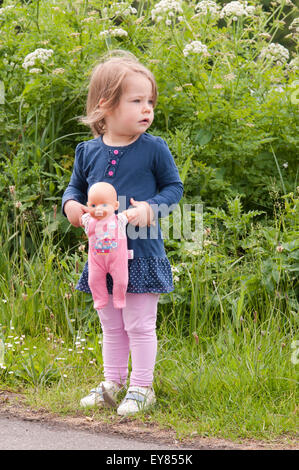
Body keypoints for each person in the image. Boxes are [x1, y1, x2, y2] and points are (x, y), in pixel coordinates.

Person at [62, 51, 183, 416]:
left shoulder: (153, 149)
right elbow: (73, 190)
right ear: (107, 105)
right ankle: (112, 383)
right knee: (111, 323)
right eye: (136, 101)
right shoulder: (88, 152)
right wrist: (73, 208)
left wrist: (149, 208)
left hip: (143, 254)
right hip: (103, 256)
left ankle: (142, 387)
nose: (147, 109)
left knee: (139, 323)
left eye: (150, 101)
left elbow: (173, 189)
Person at [82, 181, 130, 310]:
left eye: (104, 204)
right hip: (97, 260)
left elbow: (129, 215)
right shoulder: (88, 220)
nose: (98, 209)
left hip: (117, 260)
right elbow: (80, 216)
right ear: (87, 206)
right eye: (93, 205)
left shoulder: (119, 220)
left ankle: (119, 299)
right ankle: (100, 299)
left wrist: (138, 212)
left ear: (115, 205)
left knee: (121, 280)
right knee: (93, 281)